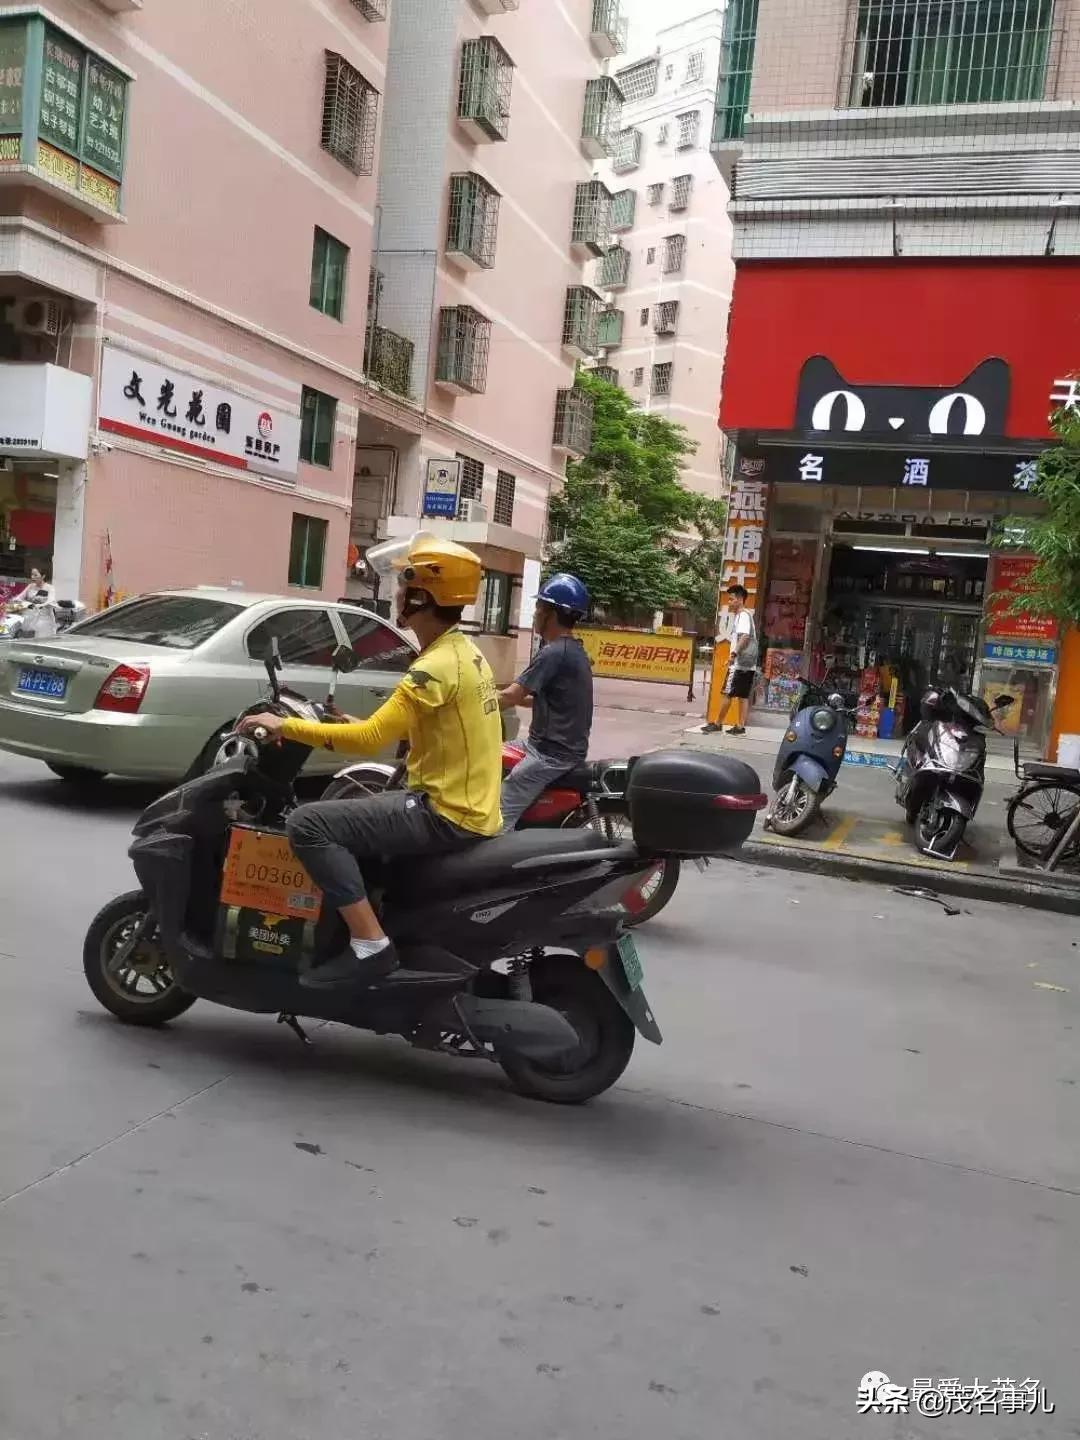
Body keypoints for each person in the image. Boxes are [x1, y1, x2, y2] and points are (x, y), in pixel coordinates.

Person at [238, 533, 502, 988]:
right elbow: (418, 729)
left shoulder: (431, 668)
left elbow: (369, 740)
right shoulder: (465, 654)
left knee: (308, 823)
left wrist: (286, 726)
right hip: (471, 807)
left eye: (404, 585)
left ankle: (370, 946)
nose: (398, 593)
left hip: (443, 813)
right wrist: (350, 722)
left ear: (422, 596)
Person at [498, 573, 593, 831]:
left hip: (551, 753)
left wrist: (469, 705)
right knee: (493, 757)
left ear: (551, 614)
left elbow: (512, 696)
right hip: (549, 745)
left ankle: (492, 859)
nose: (535, 614)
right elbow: (540, 699)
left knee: (498, 812)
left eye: (539, 607)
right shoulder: (571, 649)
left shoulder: (554, 652)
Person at [719, 583, 757, 736]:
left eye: (731, 599)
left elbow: (745, 636)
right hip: (749, 664)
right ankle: (740, 726)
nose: (729, 602)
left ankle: (717, 723)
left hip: (739, 664)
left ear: (740, 600)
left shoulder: (742, 615)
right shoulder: (746, 615)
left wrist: (733, 654)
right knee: (742, 696)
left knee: (728, 692)